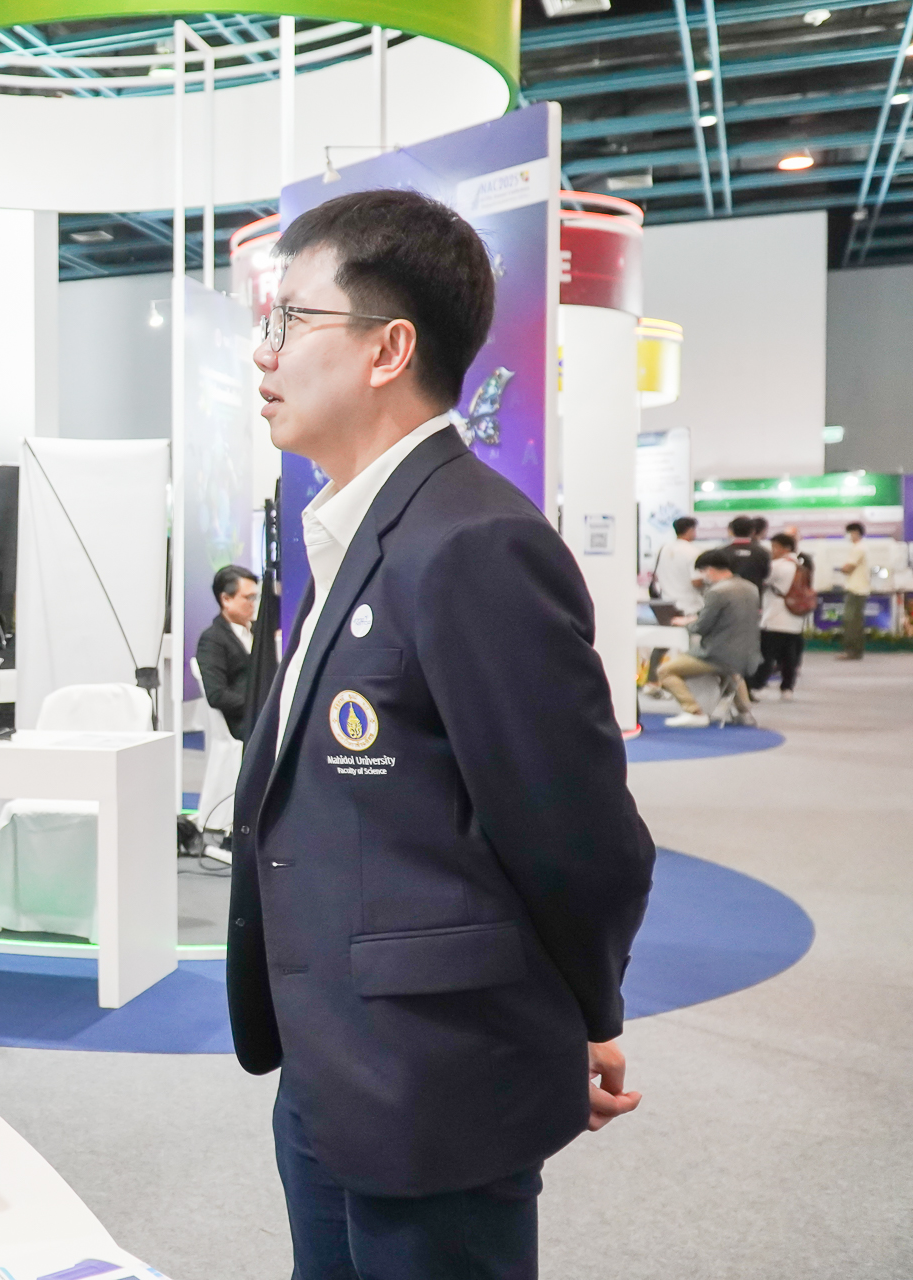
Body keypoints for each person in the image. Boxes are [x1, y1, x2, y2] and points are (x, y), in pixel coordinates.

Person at [231, 188, 655, 1279]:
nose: (263, 352)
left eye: (290, 320)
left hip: (437, 1082)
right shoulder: (356, 529)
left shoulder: (472, 543)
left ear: (389, 349)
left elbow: (578, 835)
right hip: (334, 1062)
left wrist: (578, 1014)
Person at [658, 549, 760, 728]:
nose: (702, 577)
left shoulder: (717, 592)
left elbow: (701, 627)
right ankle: (745, 712)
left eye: (702, 571)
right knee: (733, 672)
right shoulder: (751, 588)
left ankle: (693, 712)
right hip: (747, 654)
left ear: (710, 570)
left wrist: (686, 623)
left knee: (665, 671)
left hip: (717, 655)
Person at [196, 564, 259, 741]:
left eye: (255, 597)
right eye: (248, 598)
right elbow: (216, 694)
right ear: (226, 599)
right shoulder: (212, 639)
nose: (254, 604)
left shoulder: (258, 631)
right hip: (244, 721)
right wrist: (259, 704)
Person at [752, 532, 806, 700]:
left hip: (775, 617)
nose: (772, 551)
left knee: (767, 655)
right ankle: (787, 688)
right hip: (795, 618)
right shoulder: (802, 566)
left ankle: (758, 686)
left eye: (775, 547)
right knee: (790, 657)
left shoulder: (777, 566)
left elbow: (762, 581)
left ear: (785, 548)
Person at [651, 515, 704, 616]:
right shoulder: (694, 551)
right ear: (690, 530)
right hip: (689, 607)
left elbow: (656, 576)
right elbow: (696, 581)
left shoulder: (663, 550)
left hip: (667, 605)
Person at [836, 521, 871, 660]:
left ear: (855, 533)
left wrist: (841, 568)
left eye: (849, 533)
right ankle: (856, 651)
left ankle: (852, 651)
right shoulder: (862, 547)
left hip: (856, 590)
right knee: (855, 622)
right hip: (860, 589)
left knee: (851, 621)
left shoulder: (858, 548)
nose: (848, 536)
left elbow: (848, 568)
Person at [723, 515, 770, 597]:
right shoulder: (762, 552)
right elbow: (765, 574)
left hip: (728, 596)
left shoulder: (722, 552)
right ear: (753, 531)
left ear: (731, 531)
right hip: (754, 595)